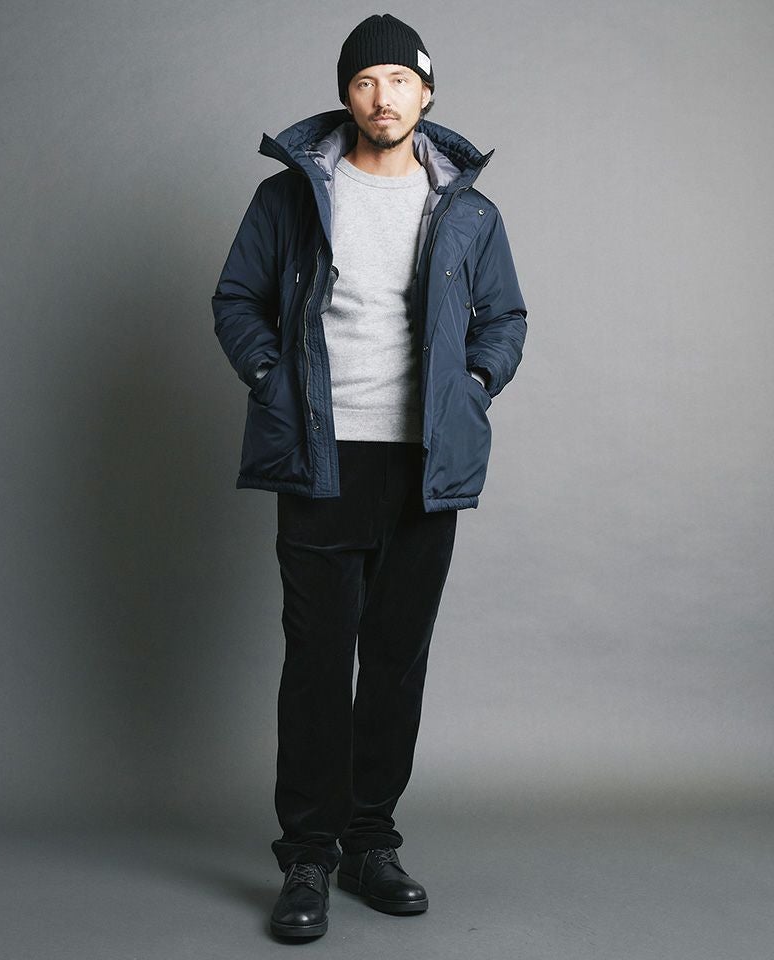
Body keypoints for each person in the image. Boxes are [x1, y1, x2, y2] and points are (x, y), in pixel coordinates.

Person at [211, 12, 528, 940]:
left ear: (426, 92)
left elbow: (505, 318)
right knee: (317, 663)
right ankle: (308, 858)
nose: (382, 97)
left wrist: (474, 384)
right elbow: (236, 298)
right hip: (320, 456)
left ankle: (371, 843)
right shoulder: (290, 197)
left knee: (394, 663)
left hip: (424, 463)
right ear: (346, 95)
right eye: (364, 81)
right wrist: (269, 376)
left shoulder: (469, 211)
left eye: (398, 80)